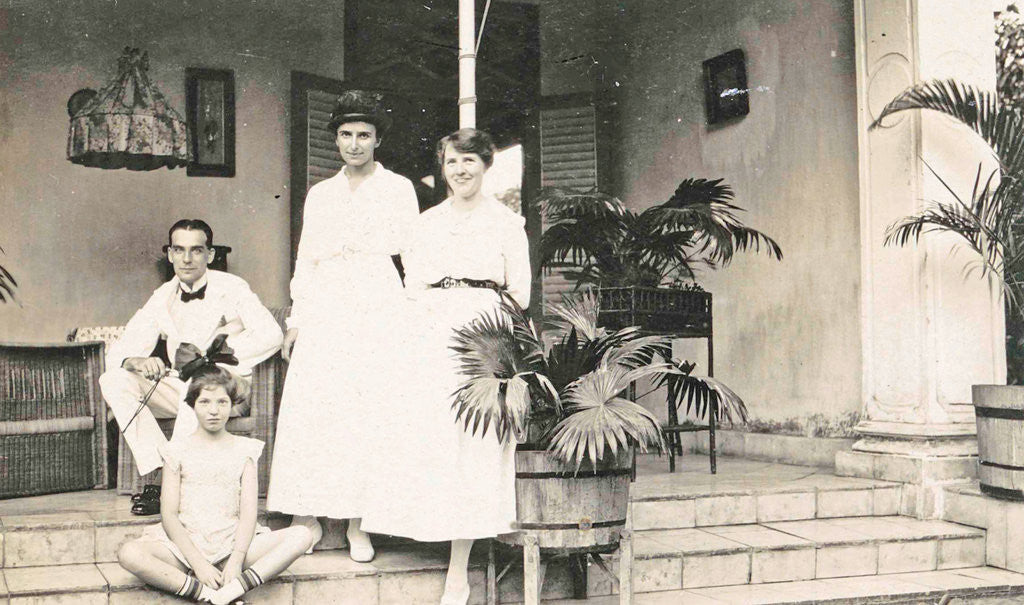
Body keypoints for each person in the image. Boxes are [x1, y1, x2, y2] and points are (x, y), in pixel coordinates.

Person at [362, 128, 531, 605]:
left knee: (474, 439)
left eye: (470, 162)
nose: (460, 170)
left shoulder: (506, 222)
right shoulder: (427, 222)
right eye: (452, 162)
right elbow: (412, 284)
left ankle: (459, 568)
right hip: (429, 330)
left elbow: (520, 291)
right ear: (443, 167)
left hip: (484, 330)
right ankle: (422, 528)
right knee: (428, 434)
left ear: (485, 165)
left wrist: (486, 325)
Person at [265, 90, 419, 562]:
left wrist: (414, 316)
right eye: (347, 135)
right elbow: (307, 259)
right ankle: (307, 517)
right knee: (316, 405)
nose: (355, 144)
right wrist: (296, 321)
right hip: (328, 303)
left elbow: (414, 257)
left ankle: (358, 523)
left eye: (364, 135)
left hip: (377, 301)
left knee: (367, 410)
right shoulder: (321, 193)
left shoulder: (398, 188)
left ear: (378, 140)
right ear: (336, 139)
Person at [99, 219, 282, 508]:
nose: (186, 259)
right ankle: (160, 470)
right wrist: (136, 359)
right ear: (169, 254)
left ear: (209, 255)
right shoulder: (163, 296)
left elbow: (272, 334)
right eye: (179, 250)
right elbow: (124, 347)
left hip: (228, 385)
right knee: (113, 379)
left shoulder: (233, 287)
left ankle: (163, 490)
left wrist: (216, 357)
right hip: (181, 383)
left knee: (194, 391)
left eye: (196, 250)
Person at [117, 367, 312, 604]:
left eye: (222, 402)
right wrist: (198, 564)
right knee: (129, 553)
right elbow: (168, 515)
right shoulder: (176, 450)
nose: (213, 410)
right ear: (192, 405)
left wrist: (237, 560)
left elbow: (248, 514)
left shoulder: (244, 449)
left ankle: (233, 589)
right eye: (205, 401)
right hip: (186, 547)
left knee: (302, 535)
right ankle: (205, 594)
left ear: (232, 405)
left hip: (232, 543)